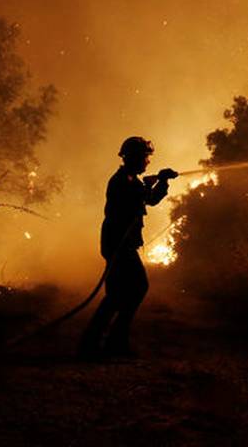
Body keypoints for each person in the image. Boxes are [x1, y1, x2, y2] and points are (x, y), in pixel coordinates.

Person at [77, 136, 178, 359]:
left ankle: (96, 343)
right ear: (132, 158)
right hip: (119, 245)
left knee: (116, 294)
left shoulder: (129, 179)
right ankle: (112, 342)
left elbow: (146, 198)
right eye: (144, 157)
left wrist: (159, 182)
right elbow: (145, 198)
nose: (147, 162)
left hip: (119, 243)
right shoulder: (123, 182)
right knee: (137, 287)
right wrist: (159, 181)